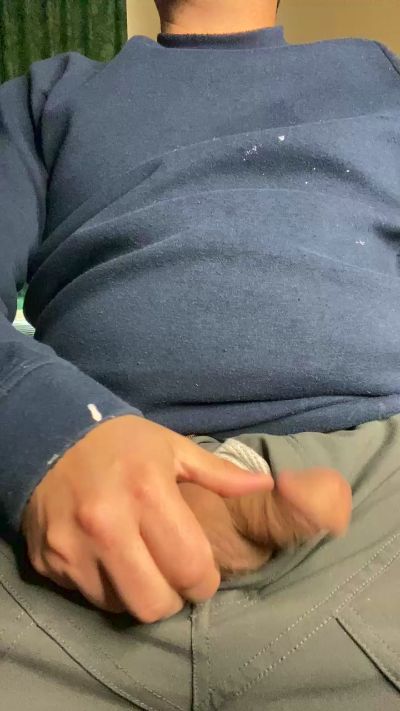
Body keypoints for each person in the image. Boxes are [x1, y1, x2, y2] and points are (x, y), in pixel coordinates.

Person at [1, 0, 400, 708]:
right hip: (63, 521)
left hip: (374, 506)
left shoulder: (385, 78)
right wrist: (40, 428)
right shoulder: (44, 97)